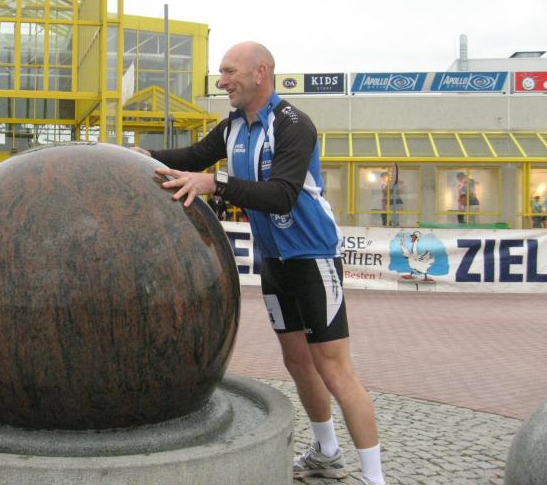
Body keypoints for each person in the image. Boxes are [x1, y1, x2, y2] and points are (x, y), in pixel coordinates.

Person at [135, 42, 385, 485]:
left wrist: (215, 183)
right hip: (274, 262)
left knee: (333, 368)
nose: (222, 81)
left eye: (230, 72)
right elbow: (191, 157)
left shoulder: (292, 125)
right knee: (298, 362)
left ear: (260, 73)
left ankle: (374, 477)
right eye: (220, 73)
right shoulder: (234, 125)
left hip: (312, 258)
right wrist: (138, 156)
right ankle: (327, 453)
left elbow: (281, 194)